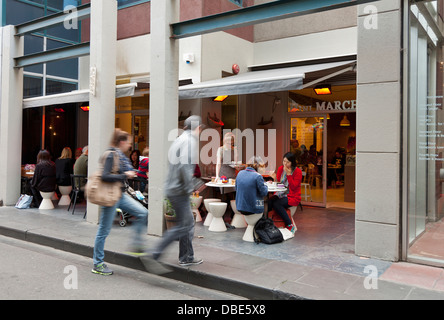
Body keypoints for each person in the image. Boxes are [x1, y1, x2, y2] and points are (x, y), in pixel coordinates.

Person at [142, 115, 204, 273]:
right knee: (185, 224)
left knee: (187, 223)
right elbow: (184, 166)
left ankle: (186, 257)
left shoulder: (179, 139)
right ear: (197, 128)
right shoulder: (190, 141)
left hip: (172, 187)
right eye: (200, 128)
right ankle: (155, 254)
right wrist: (192, 185)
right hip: (179, 189)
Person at [92, 129, 148, 276]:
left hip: (120, 195)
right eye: (128, 142)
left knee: (143, 213)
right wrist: (125, 174)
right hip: (111, 196)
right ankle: (97, 263)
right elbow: (105, 176)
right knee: (104, 231)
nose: (129, 145)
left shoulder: (119, 156)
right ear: (122, 142)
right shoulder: (111, 155)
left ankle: (136, 244)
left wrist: (127, 174)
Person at [269, 152, 302, 233]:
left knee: (277, 204)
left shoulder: (298, 172)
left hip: (293, 196)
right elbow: (279, 184)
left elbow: (294, 187)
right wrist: (274, 180)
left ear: (292, 162)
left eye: (288, 162)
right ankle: (267, 223)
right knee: (269, 202)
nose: (285, 164)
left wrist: (288, 174)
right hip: (280, 193)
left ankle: (289, 225)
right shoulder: (281, 168)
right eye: (284, 161)